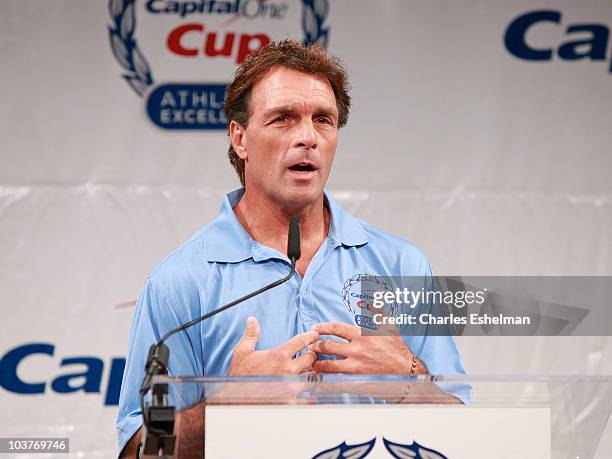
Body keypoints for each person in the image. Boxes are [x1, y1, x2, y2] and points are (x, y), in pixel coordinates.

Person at [116, 39, 465, 457]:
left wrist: (407, 381)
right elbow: (140, 452)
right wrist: (227, 408)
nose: (308, 137)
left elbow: (462, 429)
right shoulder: (180, 280)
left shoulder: (400, 263)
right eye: (283, 118)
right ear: (240, 138)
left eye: (324, 120)